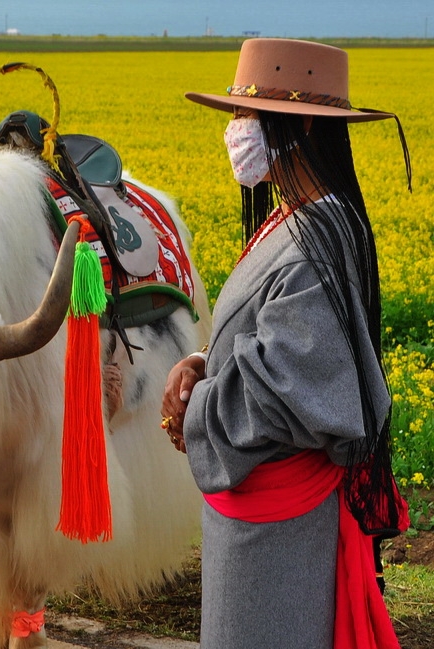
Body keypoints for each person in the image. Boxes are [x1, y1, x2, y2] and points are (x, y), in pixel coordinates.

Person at [160, 39, 411, 649]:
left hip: (279, 524)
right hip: (258, 514)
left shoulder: (316, 241)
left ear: (296, 125)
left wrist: (193, 408)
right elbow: (263, 339)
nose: (237, 132)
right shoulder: (295, 217)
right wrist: (201, 362)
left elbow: (282, 389)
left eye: (248, 117)